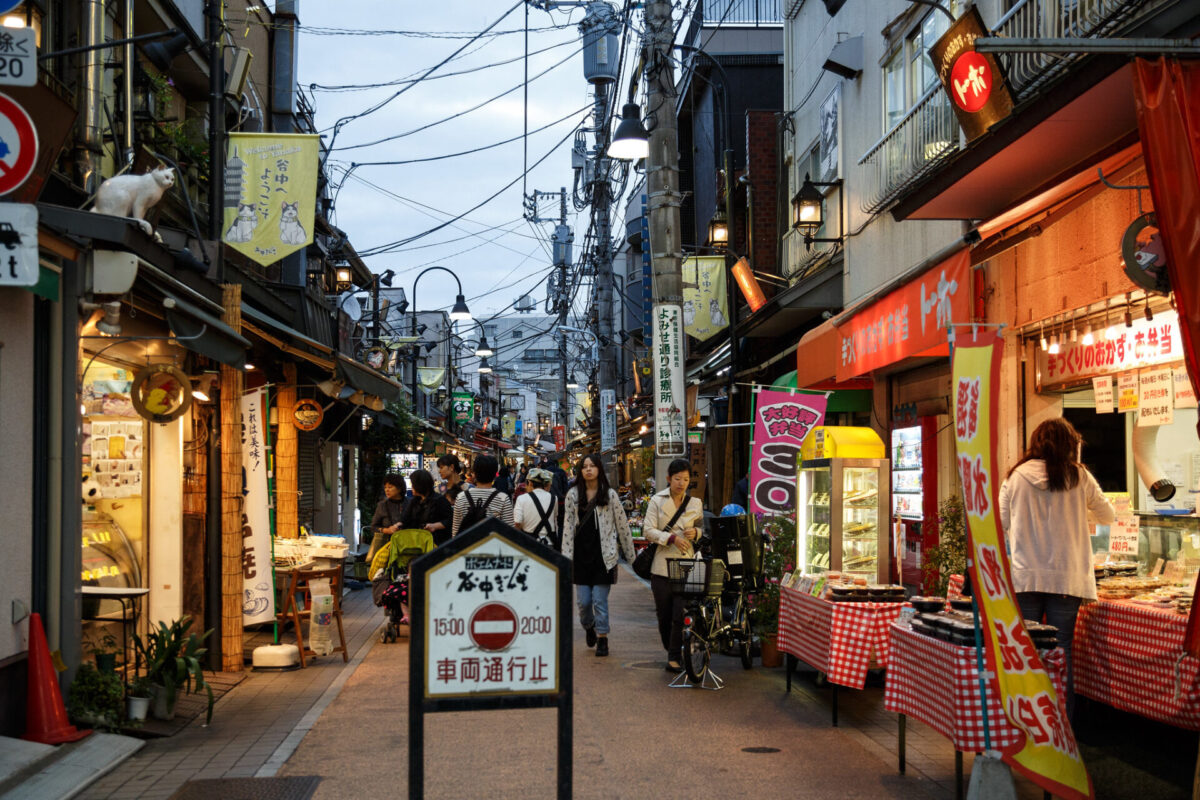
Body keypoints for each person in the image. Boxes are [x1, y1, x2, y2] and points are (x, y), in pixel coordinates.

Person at [999, 417, 1115, 720]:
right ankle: (1061, 725)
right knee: (1061, 650)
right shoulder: (1079, 477)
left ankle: (1025, 719)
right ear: (1069, 445)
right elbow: (1108, 515)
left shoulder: (1015, 476)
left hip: (1026, 576)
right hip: (1067, 577)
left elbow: (999, 524)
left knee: (1027, 650)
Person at [561, 454, 636, 658]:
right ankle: (589, 625)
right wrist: (565, 558)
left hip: (605, 557)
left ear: (599, 469)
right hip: (580, 557)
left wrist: (632, 558)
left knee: (599, 601)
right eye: (584, 466)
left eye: (592, 466)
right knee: (584, 603)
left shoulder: (609, 495)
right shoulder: (573, 495)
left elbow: (622, 526)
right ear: (580, 471)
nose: (588, 470)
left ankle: (603, 638)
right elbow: (567, 528)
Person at [643, 458, 705, 672]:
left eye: (686, 479)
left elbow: (702, 530)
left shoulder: (695, 504)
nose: (682, 483)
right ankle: (671, 647)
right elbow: (647, 531)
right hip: (661, 566)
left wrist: (696, 533)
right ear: (669, 479)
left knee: (681, 611)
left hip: (688, 564)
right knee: (664, 614)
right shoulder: (657, 501)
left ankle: (674, 657)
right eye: (678, 478)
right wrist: (670, 538)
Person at [452, 454, 515, 536]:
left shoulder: (461, 497)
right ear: (495, 474)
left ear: (474, 473)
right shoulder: (503, 499)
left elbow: (455, 533)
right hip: (492, 547)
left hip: (467, 547)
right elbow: (509, 533)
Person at [400, 469, 454, 547]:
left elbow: (450, 520)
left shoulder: (439, 500)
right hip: (417, 543)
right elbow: (405, 519)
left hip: (435, 543)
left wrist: (434, 526)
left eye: (413, 484)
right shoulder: (414, 501)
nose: (412, 487)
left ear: (420, 485)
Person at [513, 468, 558, 548]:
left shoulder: (521, 498)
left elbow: (517, 523)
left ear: (530, 483)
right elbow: (555, 519)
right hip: (549, 544)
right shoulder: (554, 498)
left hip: (528, 544)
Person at [367, 474, 407, 563]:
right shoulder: (382, 505)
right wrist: (387, 530)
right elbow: (373, 527)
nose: (387, 490)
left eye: (390, 487)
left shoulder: (410, 503)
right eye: (385, 487)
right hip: (387, 547)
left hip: (407, 546)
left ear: (399, 488)